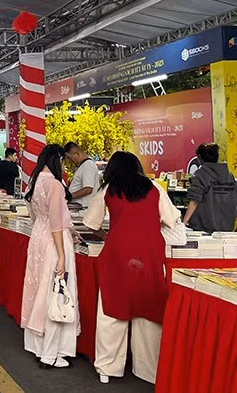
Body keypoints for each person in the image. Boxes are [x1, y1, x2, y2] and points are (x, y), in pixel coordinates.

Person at [83, 151, 180, 384]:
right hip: (149, 255)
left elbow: (90, 222)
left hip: (117, 255)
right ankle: (148, 370)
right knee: (149, 310)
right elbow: (171, 219)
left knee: (111, 310)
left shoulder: (109, 190)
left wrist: (107, 234)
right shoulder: (154, 188)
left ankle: (107, 367)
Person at [20, 144, 78, 369]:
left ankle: (39, 346)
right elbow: (56, 221)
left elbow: (38, 217)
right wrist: (62, 255)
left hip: (38, 238)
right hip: (54, 241)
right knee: (58, 293)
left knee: (39, 292)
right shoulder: (55, 184)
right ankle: (51, 352)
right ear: (58, 160)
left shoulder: (35, 182)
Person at [183, 144, 237, 233]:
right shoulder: (229, 176)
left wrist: (184, 224)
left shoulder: (200, 175)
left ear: (199, 157)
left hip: (203, 228)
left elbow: (194, 201)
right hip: (226, 228)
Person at [64, 142, 100, 208]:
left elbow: (88, 189)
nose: (69, 161)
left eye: (69, 157)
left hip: (82, 208)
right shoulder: (83, 165)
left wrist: (69, 196)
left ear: (76, 154)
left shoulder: (88, 165)